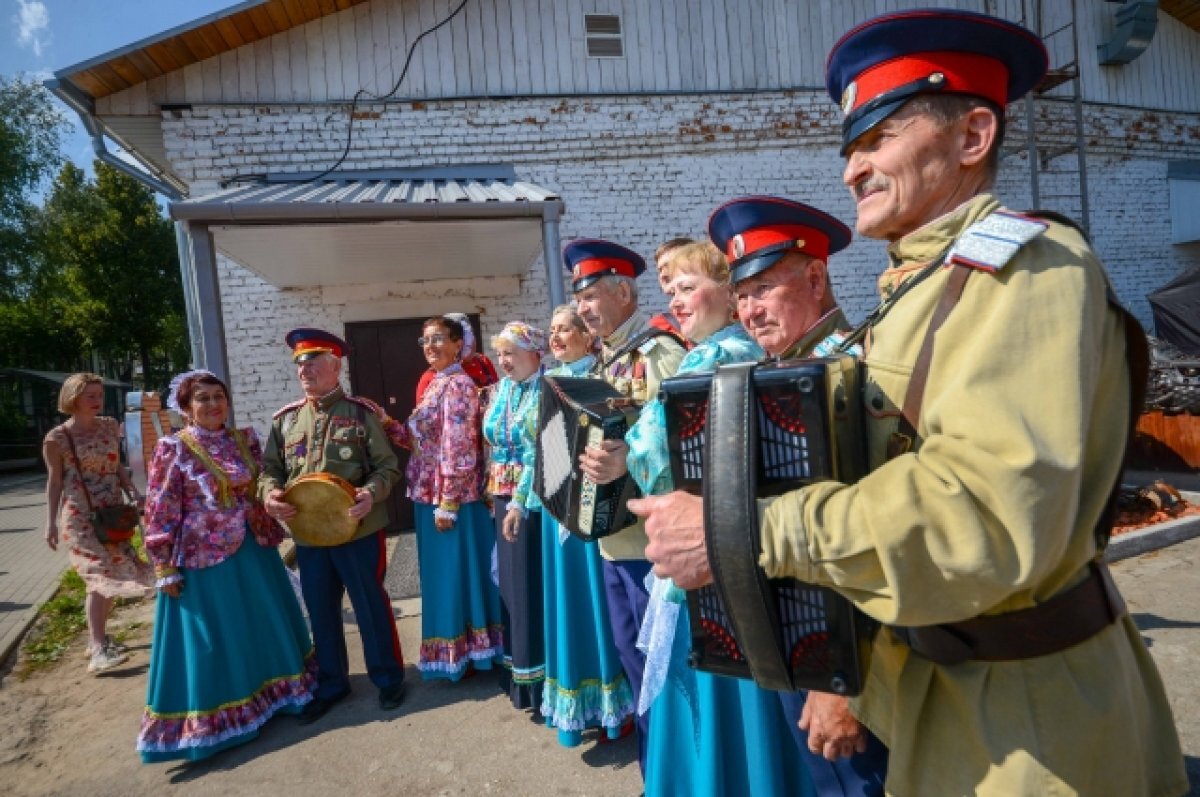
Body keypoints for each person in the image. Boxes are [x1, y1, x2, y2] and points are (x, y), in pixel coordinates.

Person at [636, 9, 1188, 796]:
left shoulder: (1024, 270)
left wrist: (741, 531)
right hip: (947, 692)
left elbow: (984, 515)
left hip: (1024, 720)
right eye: (850, 148)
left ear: (972, 137)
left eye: (879, 139)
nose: (851, 170)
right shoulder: (923, 287)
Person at [618, 240, 811, 796]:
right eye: (670, 291)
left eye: (686, 288)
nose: (675, 301)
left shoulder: (709, 358)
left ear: (728, 295)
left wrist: (621, 451)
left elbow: (656, 459)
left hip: (707, 557)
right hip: (752, 549)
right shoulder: (749, 350)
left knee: (715, 701)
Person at [711, 196, 889, 795]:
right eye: (740, 295)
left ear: (815, 277)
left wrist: (839, 679)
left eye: (762, 289)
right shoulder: (774, 373)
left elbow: (878, 538)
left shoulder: (857, 371)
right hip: (791, 640)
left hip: (847, 660)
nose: (748, 312)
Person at [137, 370, 315, 762]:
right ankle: (223, 721)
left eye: (219, 396)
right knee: (219, 637)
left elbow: (265, 482)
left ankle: (279, 697)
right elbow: (160, 508)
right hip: (206, 559)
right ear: (185, 408)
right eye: (202, 398)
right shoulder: (174, 448)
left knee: (263, 624)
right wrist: (163, 563)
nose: (214, 404)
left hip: (254, 549)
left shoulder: (244, 439)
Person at [567, 238, 687, 775]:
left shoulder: (658, 351)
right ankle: (655, 770)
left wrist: (626, 462)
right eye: (580, 299)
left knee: (664, 672)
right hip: (614, 540)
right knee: (633, 662)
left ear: (623, 291)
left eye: (592, 295)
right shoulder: (605, 357)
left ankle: (675, 774)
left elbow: (685, 441)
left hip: (652, 542)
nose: (584, 309)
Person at [260, 328, 407, 724]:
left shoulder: (360, 414)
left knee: (369, 605)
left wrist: (370, 494)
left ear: (335, 365)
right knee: (321, 611)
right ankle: (331, 683)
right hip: (308, 533)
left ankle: (389, 678)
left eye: (313, 361)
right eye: (300, 364)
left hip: (357, 529)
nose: (304, 369)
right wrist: (270, 495)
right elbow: (269, 470)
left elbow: (387, 467)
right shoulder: (286, 421)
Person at [511, 305, 636, 747]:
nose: (557, 336)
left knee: (596, 607)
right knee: (563, 605)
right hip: (552, 513)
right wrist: (518, 503)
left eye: (567, 329)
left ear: (588, 336)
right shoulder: (547, 384)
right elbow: (536, 454)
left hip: (587, 510)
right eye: (553, 330)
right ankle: (577, 705)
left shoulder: (598, 379)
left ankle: (613, 711)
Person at [387, 315, 504, 681]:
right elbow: (426, 444)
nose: (430, 347)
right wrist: (388, 424)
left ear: (458, 344)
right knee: (444, 578)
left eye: (439, 339)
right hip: (429, 493)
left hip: (450, 499)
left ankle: (474, 653)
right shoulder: (438, 383)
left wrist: (449, 501)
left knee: (456, 576)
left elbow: (460, 448)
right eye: (425, 341)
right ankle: (462, 653)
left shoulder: (457, 384)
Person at [42, 373, 152, 675]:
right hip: (81, 517)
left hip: (113, 515)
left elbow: (117, 465)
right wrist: (49, 524)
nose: (97, 400)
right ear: (72, 398)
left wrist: (133, 491)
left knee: (113, 576)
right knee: (98, 577)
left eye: (99, 394)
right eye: (89, 395)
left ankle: (98, 640)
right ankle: (98, 649)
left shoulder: (108, 426)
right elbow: (54, 483)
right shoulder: (57, 438)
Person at [485, 321, 548, 710]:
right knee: (509, 585)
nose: (504, 361)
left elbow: (536, 455)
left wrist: (517, 503)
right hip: (501, 494)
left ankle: (534, 677)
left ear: (534, 353)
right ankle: (515, 667)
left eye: (511, 353)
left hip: (528, 499)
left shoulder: (545, 390)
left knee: (526, 587)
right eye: (501, 354)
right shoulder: (503, 389)